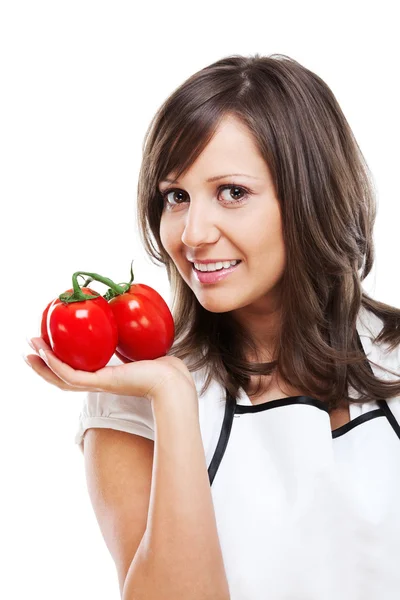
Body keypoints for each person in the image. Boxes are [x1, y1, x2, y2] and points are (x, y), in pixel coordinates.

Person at [25, 53, 400, 600]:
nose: (193, 233)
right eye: (176, 196)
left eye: (232, 192)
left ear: (311, 196)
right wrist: (171, 393)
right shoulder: (128, 403)